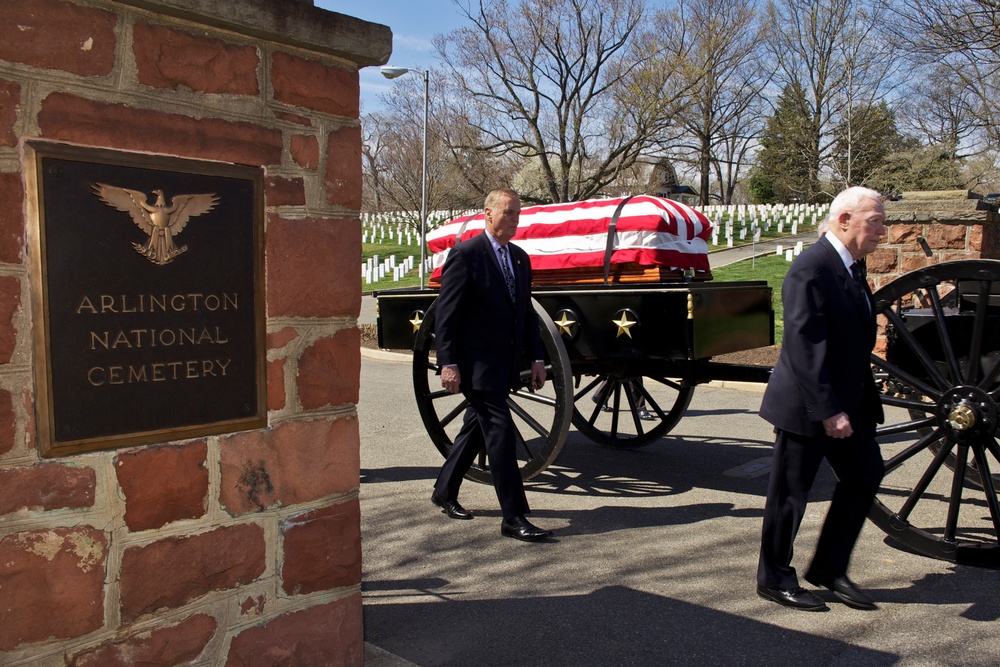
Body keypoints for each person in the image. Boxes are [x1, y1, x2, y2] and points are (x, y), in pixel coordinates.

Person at [756, 186, 887, 611]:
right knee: (790, 495)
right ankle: (774, 577)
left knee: (866, 473)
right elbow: (804, 345)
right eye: (875, 221)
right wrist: (829, 410)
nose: (882, 231)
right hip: (809, 405)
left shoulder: (851, 267)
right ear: (844, 219)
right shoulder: (811, 268)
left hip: (848, 402)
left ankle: (829, 567)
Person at [431, 188, 552, 541]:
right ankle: (513, 516)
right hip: (476, 365)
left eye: (517, 213)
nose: (514, 219)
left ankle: (444, 489)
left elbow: (525, 313)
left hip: (507, 362)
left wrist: (539, 357)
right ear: (487, 213)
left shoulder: (519, 258)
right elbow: (447, 316)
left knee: (475, 428)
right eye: (508, 213)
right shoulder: (466, 255)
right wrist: (448, 363)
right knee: (500, 433)